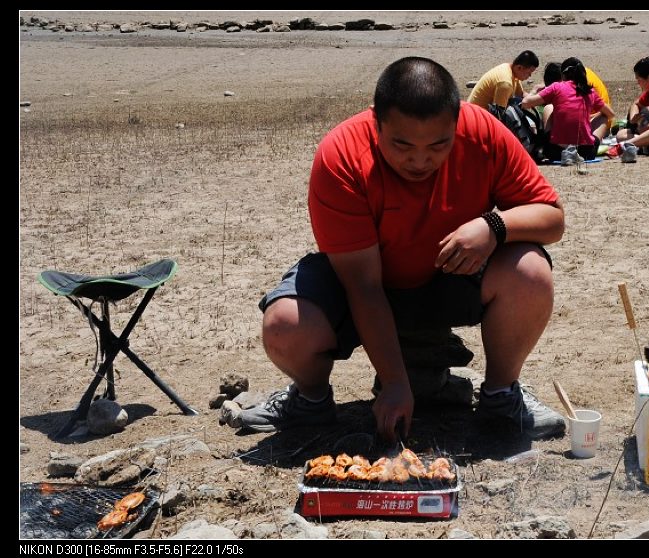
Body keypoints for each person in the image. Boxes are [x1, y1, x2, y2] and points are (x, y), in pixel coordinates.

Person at [220, 57, 567, 442]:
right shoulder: (342, 155)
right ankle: (309, 400)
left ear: (457, 122)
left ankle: (501, 396)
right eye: (401, 145)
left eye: (439, 145)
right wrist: (396, 384)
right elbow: (364, 287)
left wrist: (494, 226)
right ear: (376, 121)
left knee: (530, 271)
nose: (420, 161)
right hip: (364, 286)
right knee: (286, 325)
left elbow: (552, 218)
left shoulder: (483, 131)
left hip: (449, 278)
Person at [522, 57, 614, 162]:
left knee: (549, 107)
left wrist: (534, 90)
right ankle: (579, 146)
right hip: (587, 152)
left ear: (563, 74)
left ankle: (554, 142)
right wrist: (588, 118)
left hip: (556, 152)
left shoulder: (556, 87)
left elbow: (525, 103)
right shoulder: (589, 91)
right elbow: (611, 114)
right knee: (604, 116)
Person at [534, 59, 613, 141]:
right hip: (598, 126)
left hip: (590, 126)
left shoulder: (580, 86)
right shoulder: (580, 74)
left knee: (549, 108)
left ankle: (549, 140)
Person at [467, 50, 540, 110]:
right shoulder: (505, 83)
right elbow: (498, 114)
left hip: (478, 111)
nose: (530, 75)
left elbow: (521, 94)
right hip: (476, 116)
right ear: (519, 67)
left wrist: (535, 98)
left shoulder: (512, 70)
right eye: (529, 72)